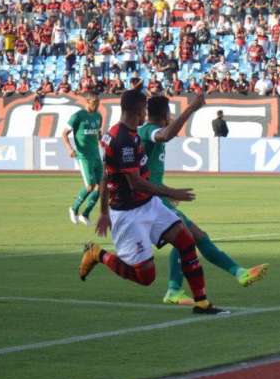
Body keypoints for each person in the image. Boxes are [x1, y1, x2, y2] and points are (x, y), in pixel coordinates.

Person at [78, 89, 227, 315]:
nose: (145, 115)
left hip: (149, 205)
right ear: (138, 110)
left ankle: (202, 303)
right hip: (129, 213)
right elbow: (136, 183)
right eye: (144, 110)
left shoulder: (127, 132)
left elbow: (106, 175)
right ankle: (97, 254)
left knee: (186, 241)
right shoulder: (122, 140)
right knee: (145, 277)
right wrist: (171, 192)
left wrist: (103, 211)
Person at [139, 95, 269, 305]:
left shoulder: (149, 133)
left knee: (192, 237)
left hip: (156, 197)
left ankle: (233, 274)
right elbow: (165, 135)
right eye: (169, 114)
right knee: (190, 237)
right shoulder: (148, 131)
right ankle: (234, 274)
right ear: (164, 115)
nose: (171, 117)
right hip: (151, 200)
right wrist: (191, 109)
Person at [61, 92, 104, 225]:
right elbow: (64, 133)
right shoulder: (78, 116)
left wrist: (101, 140)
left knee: (101, 187)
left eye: (98, 103)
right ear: (87, 102)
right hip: (84, 156)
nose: (97, 106)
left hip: (96, 155)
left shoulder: (98, 116)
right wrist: (69, 148)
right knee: (90, 186)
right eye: (94, 103)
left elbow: (98, 132)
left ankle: (85, 214)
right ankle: (73, 209)